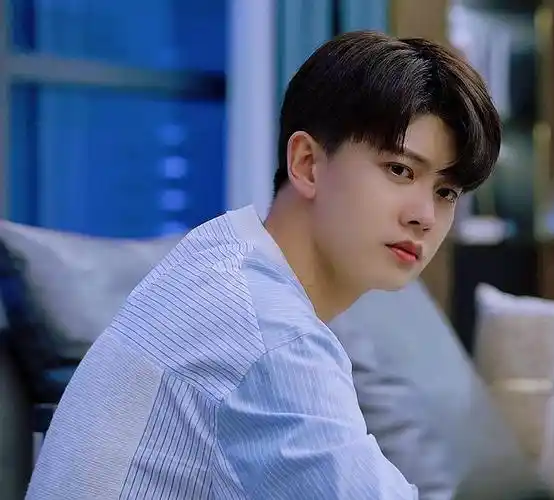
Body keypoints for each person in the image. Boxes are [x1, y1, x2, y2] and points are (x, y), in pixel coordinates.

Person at [26, 30, 501, 499]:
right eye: (400, 170)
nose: (425, 216)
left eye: (446, 192)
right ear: (307, 164)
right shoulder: (268, 333)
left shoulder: (224, 257)